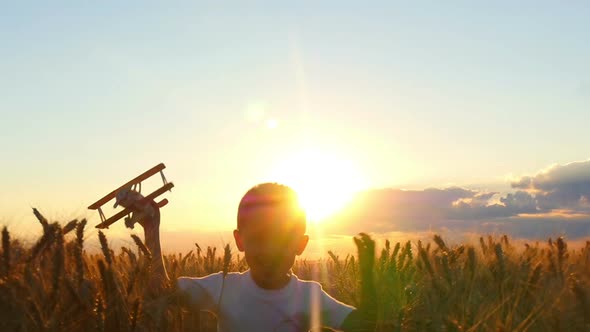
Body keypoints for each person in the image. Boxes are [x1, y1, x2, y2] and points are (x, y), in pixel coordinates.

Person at [124, 182, 376, 331]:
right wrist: (151, 227)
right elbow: (160, 291)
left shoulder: (309, 296)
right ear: (239, 240)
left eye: (282, 239)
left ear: (301, 244)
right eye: (259, 238)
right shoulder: (223, 287)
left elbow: (364, 326)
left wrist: (369, 277)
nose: (269, 250)